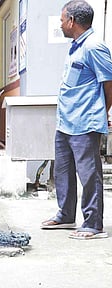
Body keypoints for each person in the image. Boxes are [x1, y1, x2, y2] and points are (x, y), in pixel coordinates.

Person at [40, 1, 112, 240]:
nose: (60, 24)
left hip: (85, 123)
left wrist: (101, 112)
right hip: (66, 122)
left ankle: (93, 224)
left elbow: (109, 84)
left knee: (89, 174)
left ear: (71, 21)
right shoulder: (75, 47)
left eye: (62, 20)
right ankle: (66, 214)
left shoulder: (94, 47)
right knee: (62, 171)